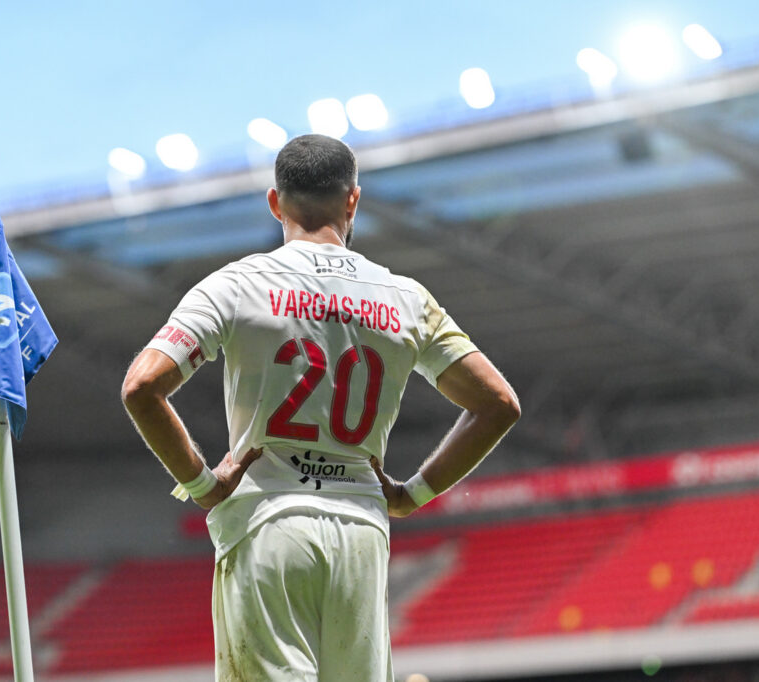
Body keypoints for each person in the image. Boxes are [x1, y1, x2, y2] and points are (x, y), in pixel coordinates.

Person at [122, 134, 520, 681]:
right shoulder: (404, 297)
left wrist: (202, 484)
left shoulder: (236, 285)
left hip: (267, 525)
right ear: (353, 200)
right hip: (362, 530)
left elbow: (142, 386)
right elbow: (498, 403)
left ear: (275, 202)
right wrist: (413, 494)